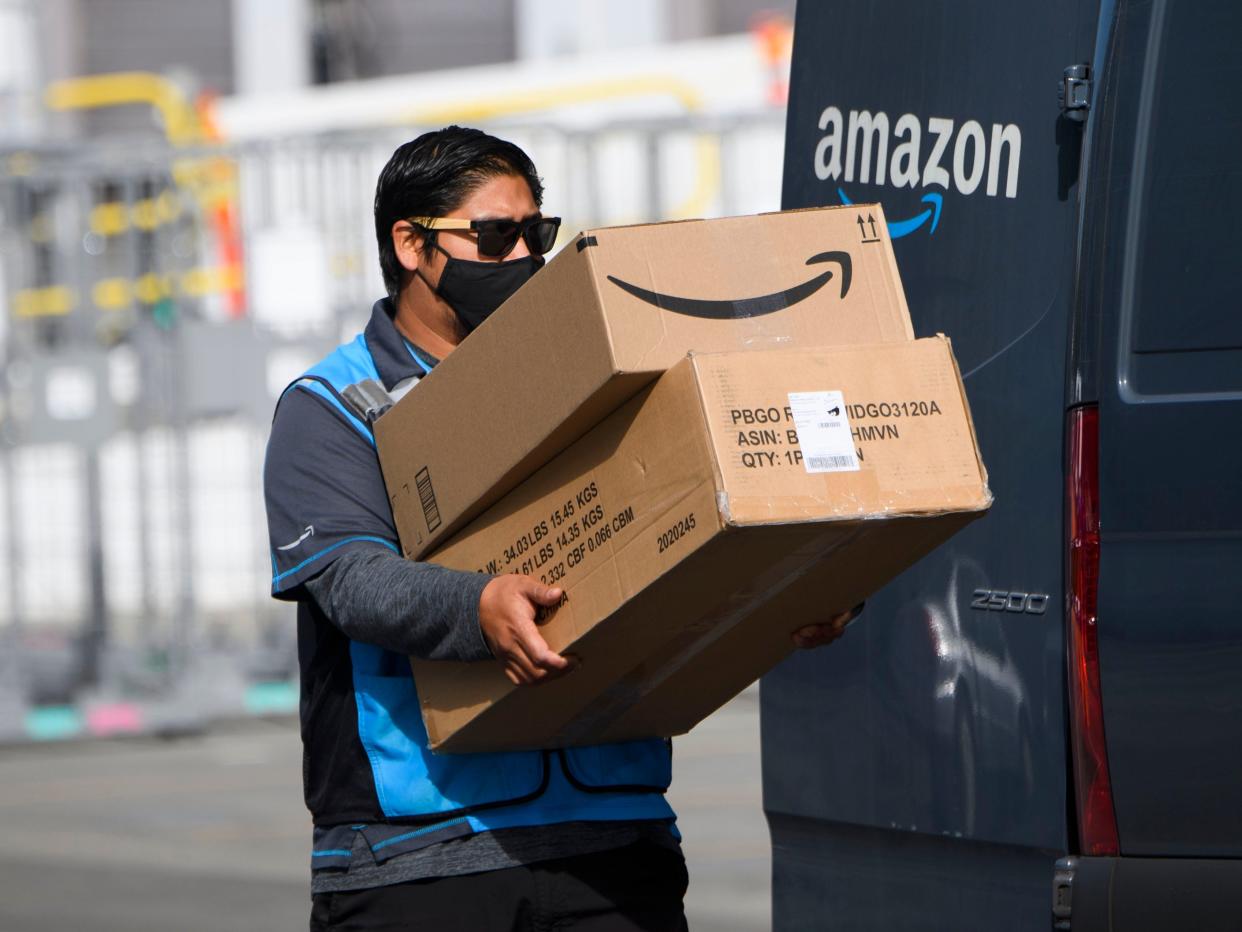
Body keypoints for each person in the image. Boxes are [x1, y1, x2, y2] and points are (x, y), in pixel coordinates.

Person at [263, 125, 859, 931]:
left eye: (535, 236)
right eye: (494, 236)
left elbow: (675, 529)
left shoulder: (596, 377)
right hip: (418, 859)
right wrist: (476, 610)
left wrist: (801, 578)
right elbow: (349, 579)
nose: (521, 260)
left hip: (613, 842)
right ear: (410, 244)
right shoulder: (335, 404)